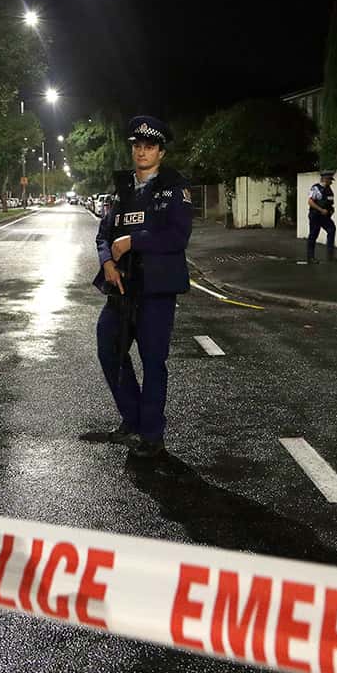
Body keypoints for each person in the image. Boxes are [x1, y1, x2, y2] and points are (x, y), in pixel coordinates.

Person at [92, 116, 192, 459]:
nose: (142, 152)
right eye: (137, 146)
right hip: (122, 288)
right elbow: (104, 234)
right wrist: (107, 261)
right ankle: (132, 420)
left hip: (156, 289)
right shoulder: (122, 190)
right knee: (110, 349)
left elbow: (177, 237)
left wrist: (132, 241)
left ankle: (151, 435)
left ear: (161, 152)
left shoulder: (174, 187)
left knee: (153, 361)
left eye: (149, 147)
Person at [305, 171, 337, 263]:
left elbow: (330, 203)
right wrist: (321, 210)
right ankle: (310, 257)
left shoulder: (329, 190)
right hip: (315, 215)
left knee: (331, 229)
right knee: (314, 234)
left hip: (325, 216)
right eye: (330, 180)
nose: (331, 182)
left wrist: (331, 210)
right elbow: (310, 202)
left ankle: (330, 254)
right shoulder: (316, 188)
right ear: (324, 179)